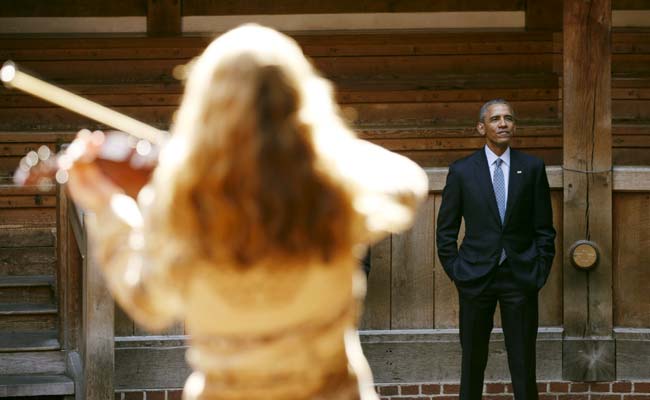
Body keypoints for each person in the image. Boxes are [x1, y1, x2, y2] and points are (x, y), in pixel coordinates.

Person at [65, 24, 428, 400]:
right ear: (301, 102)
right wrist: (320, 146)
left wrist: (107, 207)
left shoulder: (179, 202)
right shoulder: (336, 191)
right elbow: (409, 183)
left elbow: (149, 304)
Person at [436, 99, 556, 400]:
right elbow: (446, 231)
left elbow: (544, 228)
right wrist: (458, 272)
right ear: (481, 127)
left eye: (508, 118)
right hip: (476, 278)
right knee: (473, 361)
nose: (503, 123)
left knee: (523, 360)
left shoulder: (532, 168)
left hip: (520, 276)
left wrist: (538, 271)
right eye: (495, 119)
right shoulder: (462, 171)